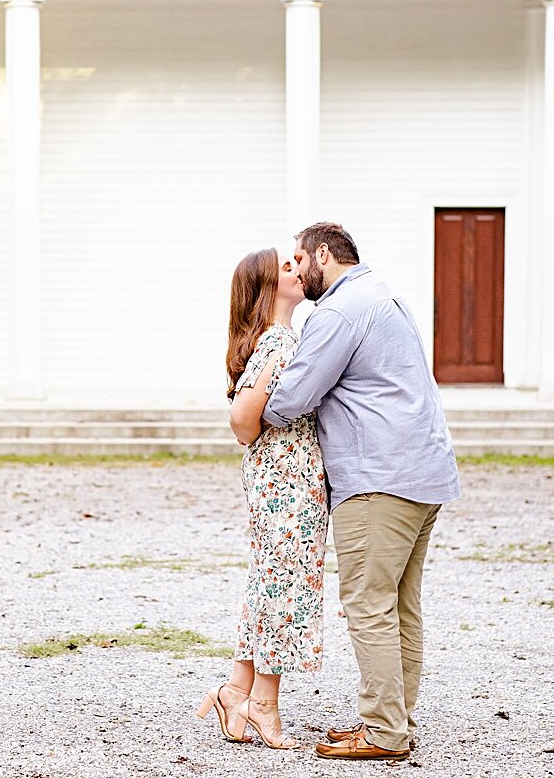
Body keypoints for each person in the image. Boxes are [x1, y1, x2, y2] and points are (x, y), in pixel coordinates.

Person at [254, 222, 460, 762]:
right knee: (400, 605)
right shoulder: (386, 296)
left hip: (378, 479)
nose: (296, 268)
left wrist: (260, 412)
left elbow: (292, 397)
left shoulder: (340, 310)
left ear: (325, 253)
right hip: (424, 473)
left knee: (368, 604)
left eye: (301, 257)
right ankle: (396, 721)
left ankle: (382, 731)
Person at [196, 246, 326, 749]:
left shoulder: (279, 340)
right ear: (270, 287)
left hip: (283, 483)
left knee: (269, 582)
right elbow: (242, 421)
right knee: (284, 589)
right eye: (288, 267)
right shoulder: (277, 345)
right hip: (286, 486)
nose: (299, 269)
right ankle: (263, 706)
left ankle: (236, 690)